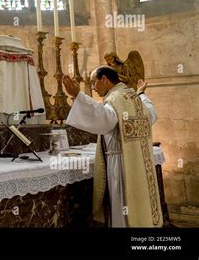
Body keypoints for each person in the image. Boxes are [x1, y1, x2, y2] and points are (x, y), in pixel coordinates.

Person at [62, 66, 163, 227]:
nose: (93, 88)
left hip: (121, 164)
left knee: (122, 204)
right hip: (141, 163)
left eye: (94, 83)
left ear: (104, 79)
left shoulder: (116, 99)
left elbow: (104, 119)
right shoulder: (134, 97)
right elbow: (151, 113)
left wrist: (77, 95)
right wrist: (142, 93)